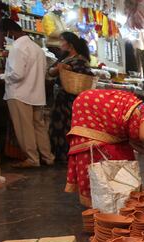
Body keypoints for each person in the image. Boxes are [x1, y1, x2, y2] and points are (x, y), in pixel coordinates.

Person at [65, 89, 144, 206]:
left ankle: (109, 208)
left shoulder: (141, 110)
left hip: (88, 111)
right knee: (116, 172)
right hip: (91, 118)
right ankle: (107, 211)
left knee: (121, 161)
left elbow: (132, 142)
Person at [0, 18, 54, 169]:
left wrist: (3, 76)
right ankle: (47, 156)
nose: (5, 37)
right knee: (39, 127)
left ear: (9, 32)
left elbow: (17, 74)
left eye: (5, 34)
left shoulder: (17, 47)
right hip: (36, 93)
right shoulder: (37, 48)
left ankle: (32, 159)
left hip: (20, 93)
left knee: (25, 128)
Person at [48, 32, 93, 165]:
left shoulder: (80, 60)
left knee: (70, 126)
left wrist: (67, 68)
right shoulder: (63, 59)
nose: (60, 44)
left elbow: (83, 74)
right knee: (59, 126)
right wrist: (59, 69)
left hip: (73, 99)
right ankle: (60, 154)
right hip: (61, 97)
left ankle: (71, 154)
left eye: (62, 41)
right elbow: (51, 71)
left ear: (70, 44)